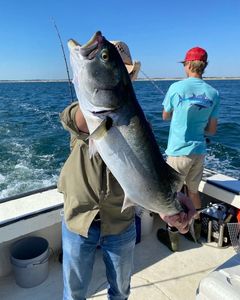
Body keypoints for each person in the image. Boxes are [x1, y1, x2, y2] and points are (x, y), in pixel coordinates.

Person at [58, 41, 194, 300]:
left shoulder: (141, 124)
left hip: (120, 221)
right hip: (79, 215)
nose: (127, 77)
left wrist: (170, 204)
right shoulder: (86, 111)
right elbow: (72, 120)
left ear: (129, 77)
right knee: (73, 294)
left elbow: (152, 171)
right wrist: (96, 104)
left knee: (120, 292)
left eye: (128, 72)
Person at [157, 47, 220, 252]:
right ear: (204, 66)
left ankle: (173, 237)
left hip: (178, 152)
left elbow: (165, 116)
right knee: (193, 191)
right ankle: (195, 230)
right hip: (199, 152)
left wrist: (178, 111)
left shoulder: (176, 88)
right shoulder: (214, 93)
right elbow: (211, 130)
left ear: (188, 65)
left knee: (171, 195)